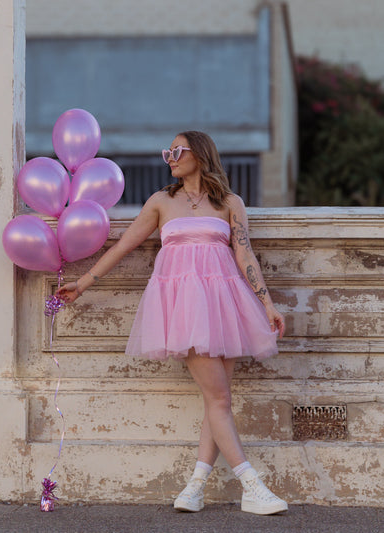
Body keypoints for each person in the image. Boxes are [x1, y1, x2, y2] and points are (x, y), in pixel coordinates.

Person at [56, 131, 287, 515]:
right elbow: (124, 244)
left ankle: (194, 489)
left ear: (200, 153)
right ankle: (252, 485)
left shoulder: (230, 203)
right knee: (219, 400)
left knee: (218, 402)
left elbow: (245, 254)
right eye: (168, 152)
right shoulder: (162, 202)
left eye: (177, 150)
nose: (170, 157)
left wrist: (267, 304)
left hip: (224, 303)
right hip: (184, 306)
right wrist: (82, 283)